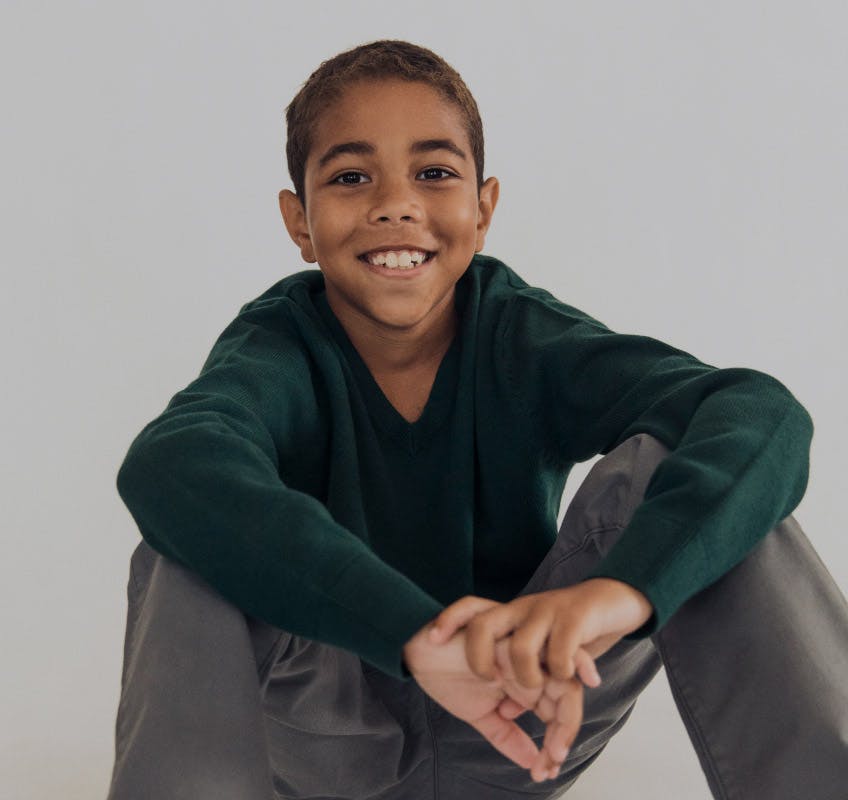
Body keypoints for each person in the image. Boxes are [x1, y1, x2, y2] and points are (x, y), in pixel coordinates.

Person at [107, 39, 847, 799]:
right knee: (191, 536)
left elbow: (759, 412)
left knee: (709, 476)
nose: (396, 204)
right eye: (352, 177)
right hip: (332, 747)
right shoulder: (279, 352)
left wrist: (622, 593)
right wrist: (419, 637)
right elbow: (169, 462)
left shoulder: (522, 337)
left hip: (523, 710)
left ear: (484, 208)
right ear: (299, 221)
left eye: (433, 173)